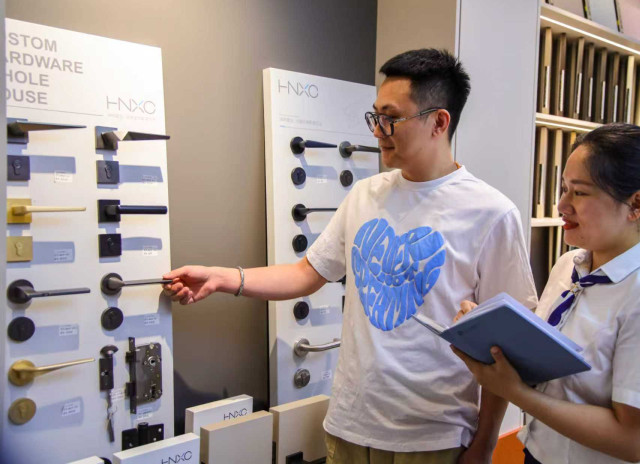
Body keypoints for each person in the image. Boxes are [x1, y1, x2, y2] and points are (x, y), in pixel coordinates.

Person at [163, 48, 537, 464]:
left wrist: (485, 443)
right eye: (375, 116)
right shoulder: (365, 194)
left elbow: (506, 345)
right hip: (350, 426)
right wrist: (221, 277)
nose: (377, 131)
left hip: (434, 438)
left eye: (391, 118)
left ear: (439, 122)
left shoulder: (490, 213)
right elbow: (306, 273)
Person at [453, 123, 640, 464]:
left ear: (636, 204)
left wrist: (515, 392)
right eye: (563, 189)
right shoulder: (570, 265)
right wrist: (489, 333)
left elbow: (632, 440)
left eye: (580, 193)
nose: (561, 205)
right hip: (539, 452)